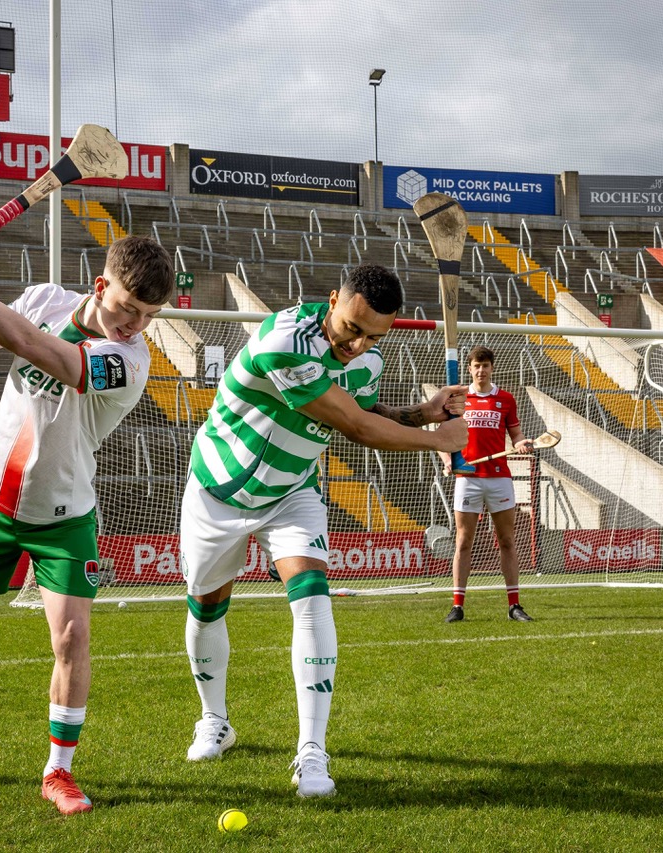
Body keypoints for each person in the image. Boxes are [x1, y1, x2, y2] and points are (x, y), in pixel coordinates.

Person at [0, 228, 174, 815]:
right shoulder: (45, 298)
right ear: (100, 286)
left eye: (148, 316)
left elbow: (39, 350)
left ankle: (58, 772)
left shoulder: (130, 360)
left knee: (71, 638)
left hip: (64, 515)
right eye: (128, 309)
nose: (135, 326)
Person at [180, 263, 469, 798]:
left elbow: (360, 411)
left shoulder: (369, 360)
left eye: (372, 337)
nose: (357, 345)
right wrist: (440, 440)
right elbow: (355, 425)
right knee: (206, 606)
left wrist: (421, 414)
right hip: (216, 489)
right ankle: (214, 720)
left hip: (293, 492)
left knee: (313, 600)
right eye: (350, 328)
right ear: (332, 299)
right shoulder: (284, 340)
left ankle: (312, 752)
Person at [445, 345, 533, 623]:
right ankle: (457, 606)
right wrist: (447, 458)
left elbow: (515, 434)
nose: (481, 370)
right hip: (467, 478)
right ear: (469, 369)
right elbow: (441, 436)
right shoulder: (458, 398)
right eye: (476, 365)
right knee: (463, 541)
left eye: (485, 365)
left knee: (507, 540)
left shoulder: (505, 399)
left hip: (499, 478)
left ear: (492, 368)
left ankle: (514, 605)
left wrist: (521, 444)